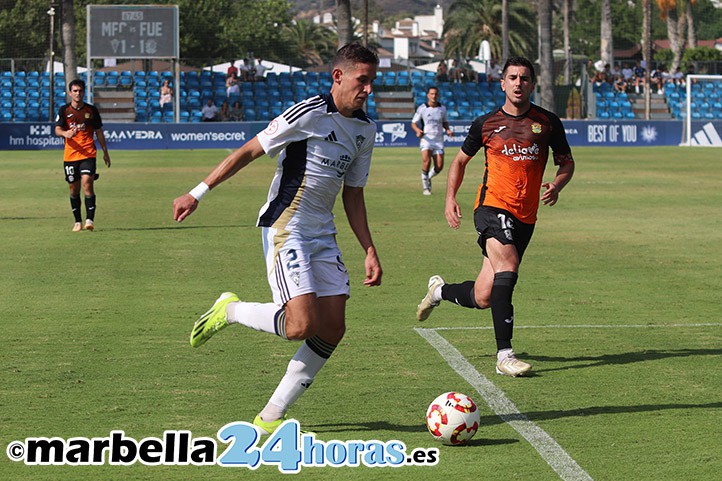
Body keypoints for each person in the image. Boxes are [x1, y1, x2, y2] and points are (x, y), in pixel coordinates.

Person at [172, 43, 383, 435]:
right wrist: (196, 193)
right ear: (338, 76)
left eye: (372, 81)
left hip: (323, 232)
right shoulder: (308, 113)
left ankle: (270, 416)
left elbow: (354, 194)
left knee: (333, 327)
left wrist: (369, 249)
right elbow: (250, 150)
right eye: (362, 80)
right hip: (287, 225)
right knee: (301, 325)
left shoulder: (365, 130)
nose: (368, 89)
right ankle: (229, 311)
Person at [416, 56, 575, 377]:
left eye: (525, 78)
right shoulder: (486, 124)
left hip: (526, 217)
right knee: (509, 266)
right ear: (502, 83)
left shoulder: (547, 123)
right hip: (491, 207)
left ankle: (439, 291)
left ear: (532, 83)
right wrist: (449, 199)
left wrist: (557, 184)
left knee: (484, 295)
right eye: (512, 77)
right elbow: (459, 162)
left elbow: (566, 162)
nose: (518, 83)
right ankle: (505, 355)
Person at [54, 79, 111, 232]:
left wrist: (105, 152)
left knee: (87, 183)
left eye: (80, 91)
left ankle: (89, 220)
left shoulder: (91, 111)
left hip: (88, 154)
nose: (77, 93)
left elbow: (98, 132)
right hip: (70, 156)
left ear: (84, 92)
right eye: (75, 91)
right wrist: (66, 133)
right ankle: (77, 221)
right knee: (73, 189)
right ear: (70, 93)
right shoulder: (64, 110)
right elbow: (57, 130)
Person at [411, 86, 453, 195]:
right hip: (427, 139)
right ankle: (426, 188)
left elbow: (444, 122)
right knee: (427, 161)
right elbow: (413, 123)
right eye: (432, 94)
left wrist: (448, 130)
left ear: (437, 95)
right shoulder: (422, 108)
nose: (434, 96)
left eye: (435, 94)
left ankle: (428, 177)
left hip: (438, 140)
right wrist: (417, 130)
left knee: (439, 166)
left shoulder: (442, 108)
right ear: (428, 95)